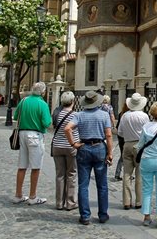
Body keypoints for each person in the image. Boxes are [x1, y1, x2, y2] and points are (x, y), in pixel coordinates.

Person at [64, 91, 113, 225]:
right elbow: (108, 135)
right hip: (99, 147)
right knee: (102, 185)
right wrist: (110, 153)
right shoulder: (104, 115)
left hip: (84, 147)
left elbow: (67, 129)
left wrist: (73, 144)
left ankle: (85, 216)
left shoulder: (79, 115)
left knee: (83, 185)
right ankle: (103, 215)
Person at [12, 82, 52, 205]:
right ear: (43, 92)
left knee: (22, 166)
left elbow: (15, 116)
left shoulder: (24, 101)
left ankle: (18, 195)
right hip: (35, 136)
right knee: (36, 167)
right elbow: (46, 123)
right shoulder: (42, 104)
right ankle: (32, 196)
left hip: (22, 134)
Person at [117, 92, 150, 210]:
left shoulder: (125, 116)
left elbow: (119, 132)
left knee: (127, 174)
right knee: (139, 174)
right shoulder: (144, 116)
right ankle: (139, 201)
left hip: (127, 144)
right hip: (140, 145)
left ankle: (126, 201)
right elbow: (147, 132)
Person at [51, 91, 79, 211]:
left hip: (57, 146)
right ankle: (70, 202)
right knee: (71, 174)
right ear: (73, 101)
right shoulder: (75, 115)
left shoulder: (57, 114)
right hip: (70, 147)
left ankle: (59, 203)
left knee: (59, 175)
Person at [114, 102, 129, 181]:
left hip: (120, 137)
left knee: (123, 156)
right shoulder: (128, 115)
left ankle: (120, 173)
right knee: (124, 156)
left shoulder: (121, 114)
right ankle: (119, 173)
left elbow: (118, 127)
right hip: (126, 137)